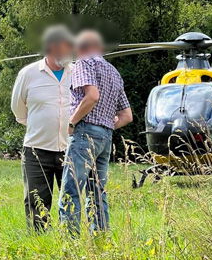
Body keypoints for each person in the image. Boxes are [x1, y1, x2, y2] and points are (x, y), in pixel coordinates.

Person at [59, 30, 132, 232]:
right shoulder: (114, 72)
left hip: (84, 133)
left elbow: (92, 96)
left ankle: (69, 242)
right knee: (97, 192)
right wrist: (105, 126)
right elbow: (127, 115)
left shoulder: (84, 63)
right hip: (105, 138)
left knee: (71, 189)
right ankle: (100, 238)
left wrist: (72, 123)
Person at [11, 25, 75, 230]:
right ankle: (39, 245)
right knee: (37, 203)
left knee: (71, 202)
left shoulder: (78, 72)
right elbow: (18, 111)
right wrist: (40, 126)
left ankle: (71, 244)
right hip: (37, 150)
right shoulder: (28, 74)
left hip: (71, 148)